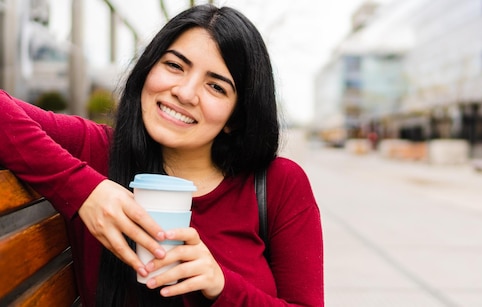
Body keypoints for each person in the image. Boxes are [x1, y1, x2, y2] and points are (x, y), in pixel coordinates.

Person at [0, 4, 323, 306]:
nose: (184, 92)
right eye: (174, 65)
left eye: (216, 87)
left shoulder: (279, 184)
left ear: (236, 118)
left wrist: (221, 285)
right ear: (147, 71)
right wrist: (85, 190)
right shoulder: (96, 151)